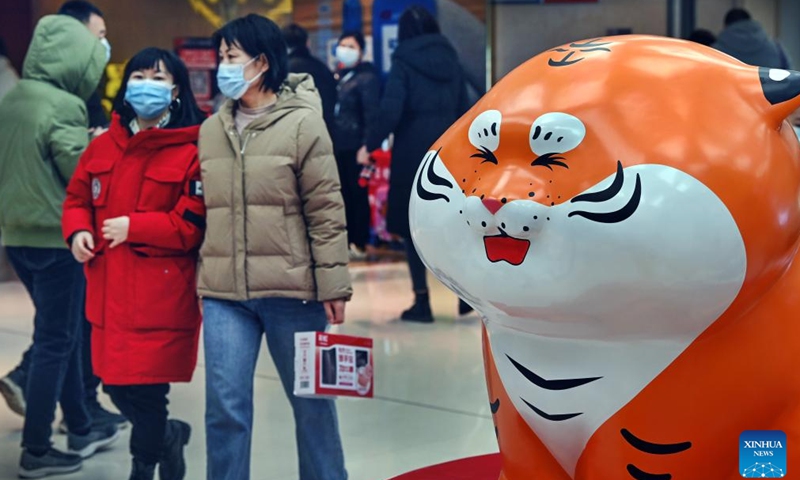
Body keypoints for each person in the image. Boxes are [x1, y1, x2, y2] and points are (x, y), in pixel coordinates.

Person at [198, 14, 352, 480]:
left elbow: (326, 210)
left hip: (294, 293)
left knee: (312, 406)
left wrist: (334, 285)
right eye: (220, 56)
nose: (221, 66)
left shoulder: (304, 124)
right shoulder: (211, 130)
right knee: (225, 410)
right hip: (226, 297)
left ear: (261, 62)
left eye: (230, 57)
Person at [62, 47, 207, 480]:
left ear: (177, 90)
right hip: (107, 292)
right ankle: (170, 437)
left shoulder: (192, 149)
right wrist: (78, 232)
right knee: (114, 384)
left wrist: (135, 227)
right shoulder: (103, 145)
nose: (147, 85)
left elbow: (192, 225)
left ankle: (143, 467)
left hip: (158, 293)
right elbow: (76, 199)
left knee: (147, 390)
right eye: (139, 76)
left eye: (158, 78)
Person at [0, 0, 127, 434]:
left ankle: (80, 420)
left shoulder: (14, 97)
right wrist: (98, 148)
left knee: (63, 333)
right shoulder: (65, 106)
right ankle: (38, 446)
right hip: (58, 237)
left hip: (15, 235)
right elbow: (78, 175)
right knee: (58, 340)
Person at [362, 6, 470, 323]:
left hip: (413, 150)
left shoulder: (404, 61)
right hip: (449, 152)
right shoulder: (452, 60)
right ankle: (464, 295)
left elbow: (391, 109)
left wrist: (370, 143)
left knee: (415, 227)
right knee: (453, 222)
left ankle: (422, 302)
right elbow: (465, 107)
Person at [333, 31, 380, 261]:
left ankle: (359, 241)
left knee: (357, 193)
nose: (344, 49)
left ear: (361, 50)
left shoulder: (367, 77)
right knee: (341, 194)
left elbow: (372, 114)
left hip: (356, 146)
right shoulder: (341, 75)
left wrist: (367, 145)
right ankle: (346, 238)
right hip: (338, 145)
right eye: (342, 45)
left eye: (350, 45)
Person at [283, 23, 338, 137]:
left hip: (292, 133)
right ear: (308, 42)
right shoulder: (322, 67)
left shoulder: (283, 70)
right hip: (324, 131)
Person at [713, 8, 791, 69]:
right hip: (770, 89)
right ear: (750, 22)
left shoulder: (715, 51)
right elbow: (790, 78)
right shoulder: (776, 48)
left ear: (726, 26)